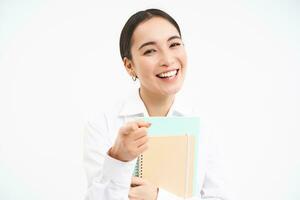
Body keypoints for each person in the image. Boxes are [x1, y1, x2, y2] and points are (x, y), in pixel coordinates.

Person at [84, 8, 229, 200]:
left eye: (174, 44)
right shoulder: (103, 125)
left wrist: (159, 197)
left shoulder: (203, 125)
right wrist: (118, 158)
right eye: (150, 51)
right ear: (129, 66)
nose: (168, 60)